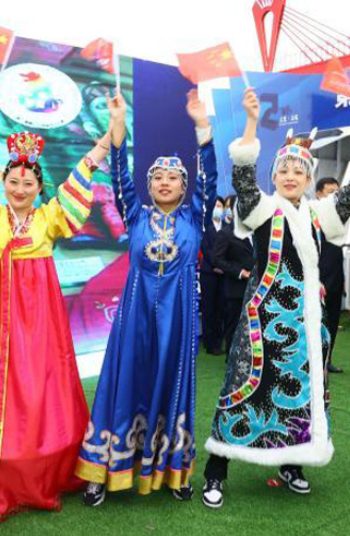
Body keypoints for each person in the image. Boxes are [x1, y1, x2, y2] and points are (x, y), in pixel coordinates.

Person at [202, 90, 350, 509]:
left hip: (304, 325)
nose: (290, 176)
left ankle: (291, 463)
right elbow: (243, 180)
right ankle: (216, 470)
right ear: (274, 175)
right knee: (243, 389)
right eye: (282, 169)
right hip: (262, 322)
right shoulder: (262, 209)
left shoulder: (319, 214)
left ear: (308, 178)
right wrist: (251, 123)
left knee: (299, 394)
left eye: (298, 171)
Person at [0, 93, 109, 522]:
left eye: (28, 184)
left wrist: (106, 140)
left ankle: (40, 458)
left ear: (39, 188)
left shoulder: (49, 218)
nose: (20, 190)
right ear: (4, 182)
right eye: (14, 182)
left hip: (38, 319)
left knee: (38, 380)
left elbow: (82, 172)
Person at [76, 90, 217, 505]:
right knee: (122, 385)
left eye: (173, 178)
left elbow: (209, 178)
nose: (164, 182)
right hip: (134, 317)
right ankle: (104, 470)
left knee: (171, 386)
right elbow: (119, 176)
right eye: (157, 177)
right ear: (150, 185)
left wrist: (202, 127)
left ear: (184, 187)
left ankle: (174, 471)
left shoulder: (194, 217)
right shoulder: (135, 215)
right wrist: (118, 127)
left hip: (178, 319)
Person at [213, 195, 254, 354]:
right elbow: (217, 259)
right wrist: (240, 272)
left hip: (255, 288)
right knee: (234, 326)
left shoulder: (256, 232)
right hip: (235, 289)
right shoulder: (226, 233)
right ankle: (231, 358)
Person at [315, 177, 345, 374]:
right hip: (318, 281)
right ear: (319, 194)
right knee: (317, 323)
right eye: (330, 192)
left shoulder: (339, 216)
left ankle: (327, 359)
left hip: (336, 279)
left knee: (333, 322)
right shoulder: (311, 216)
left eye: (337, 192)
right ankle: (313, 362)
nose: (335, 196)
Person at [201, 196, 226, 355]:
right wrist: (215, 265)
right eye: (216, 206)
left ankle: (218, 340)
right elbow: (205, 249)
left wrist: (223, 266)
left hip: (223, 274)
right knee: (209, 308)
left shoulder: (227, 227)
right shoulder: (206, 227)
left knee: (220, 308)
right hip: (209, 273)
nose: (218, 209)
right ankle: (209, 343)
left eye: (220, 206)